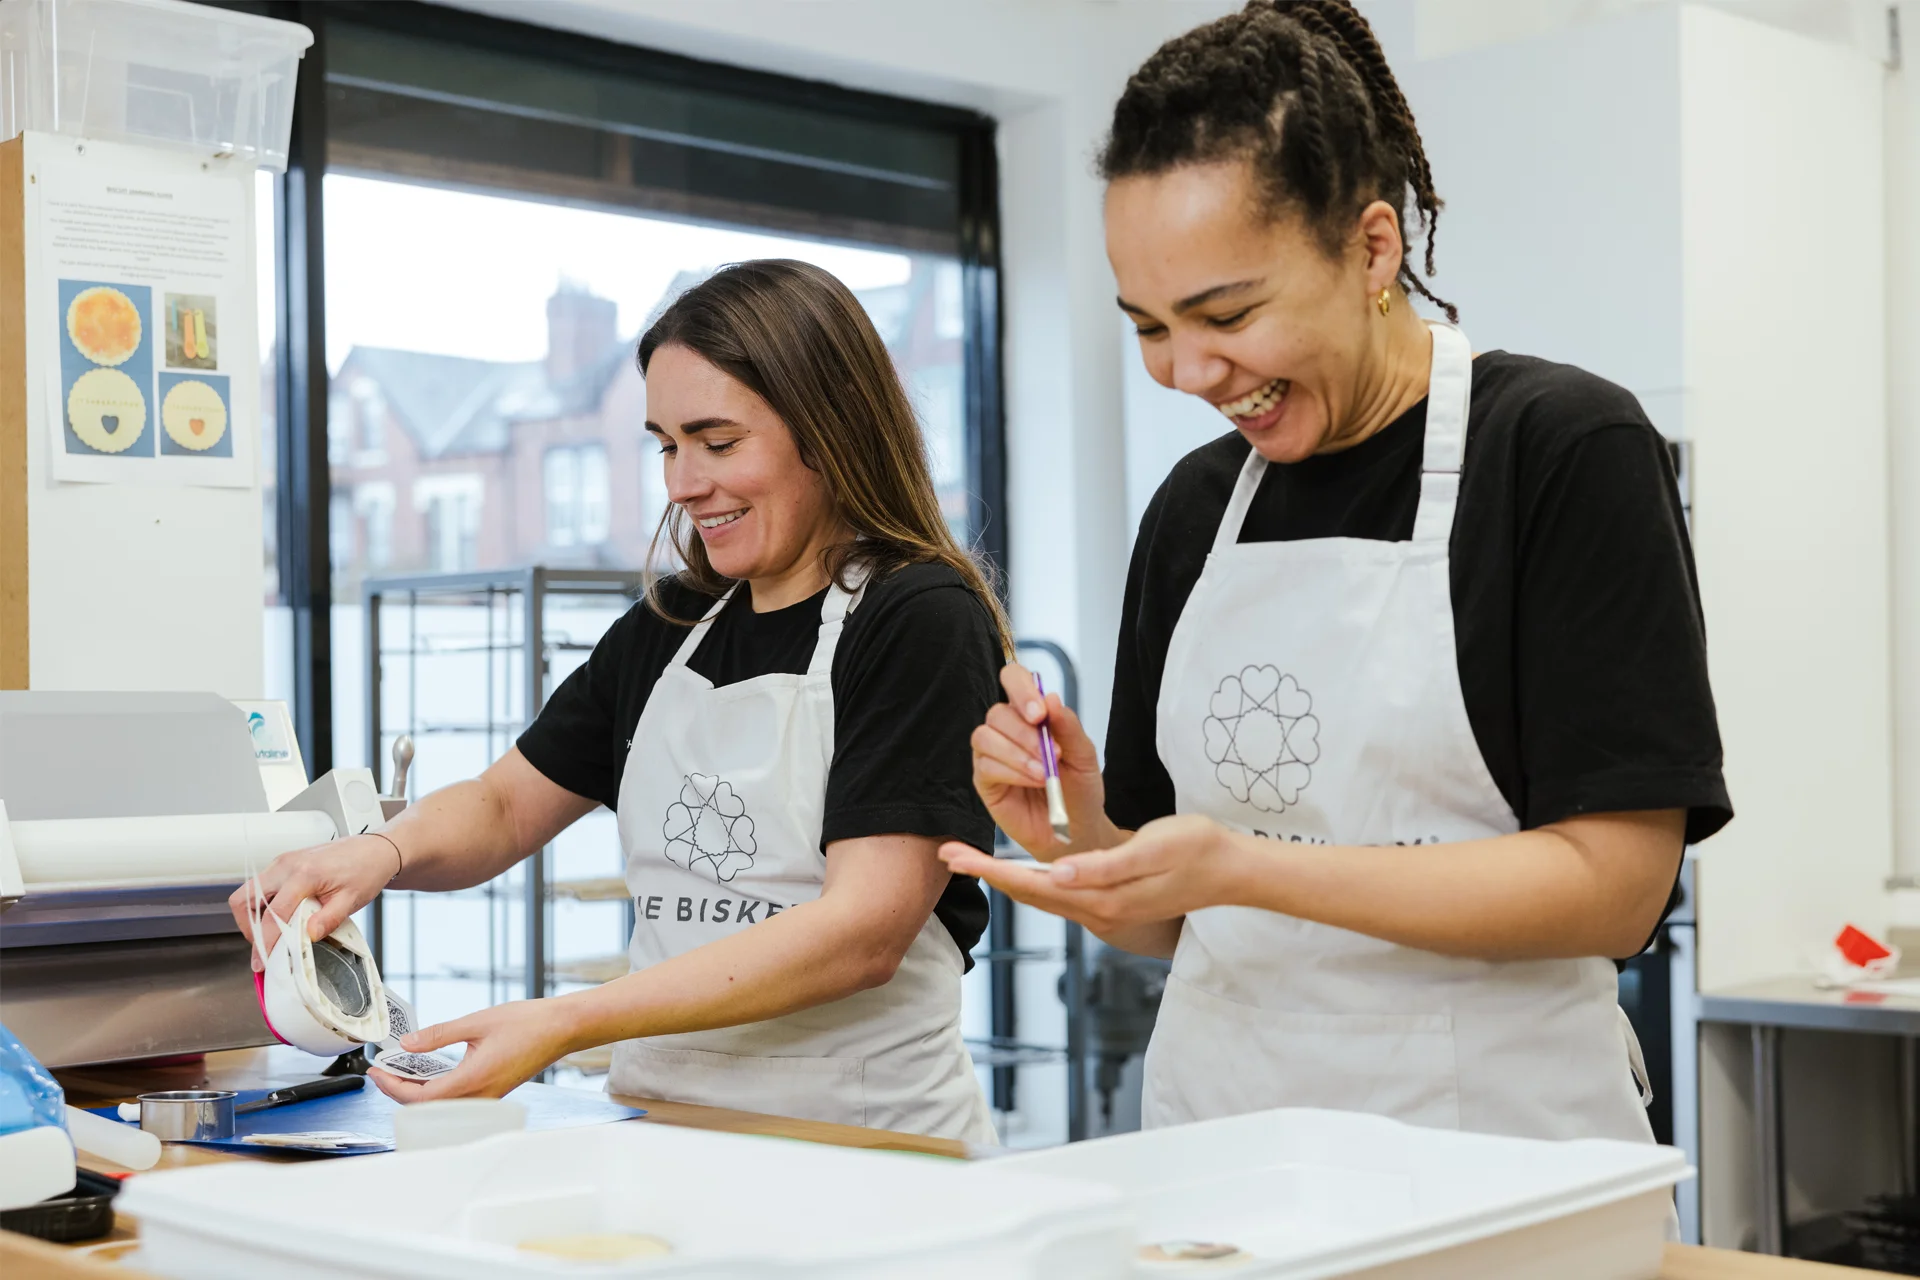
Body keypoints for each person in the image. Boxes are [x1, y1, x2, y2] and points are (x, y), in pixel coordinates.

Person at [941, 0, 1730, 1144]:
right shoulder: (1195, 511)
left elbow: (1613, 888)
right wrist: (1076, 830)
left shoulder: (1558, 450)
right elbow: (1165, 919)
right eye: (1148, 326)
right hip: (1221, 1150)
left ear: (1371, 248)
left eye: (1227, 312)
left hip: (1494, 1154)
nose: (1188, 371)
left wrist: (1243, 865)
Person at [235, 259, 1003, 1143]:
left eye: (718, 444)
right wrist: (378, 852)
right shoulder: (673, 623)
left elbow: (863, 930)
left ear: (829, 431)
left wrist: (566, 1021)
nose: (681, 484)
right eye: (667, 446)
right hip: (665, 1128)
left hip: (866, 1144)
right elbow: (504, 804)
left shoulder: (918, 617)